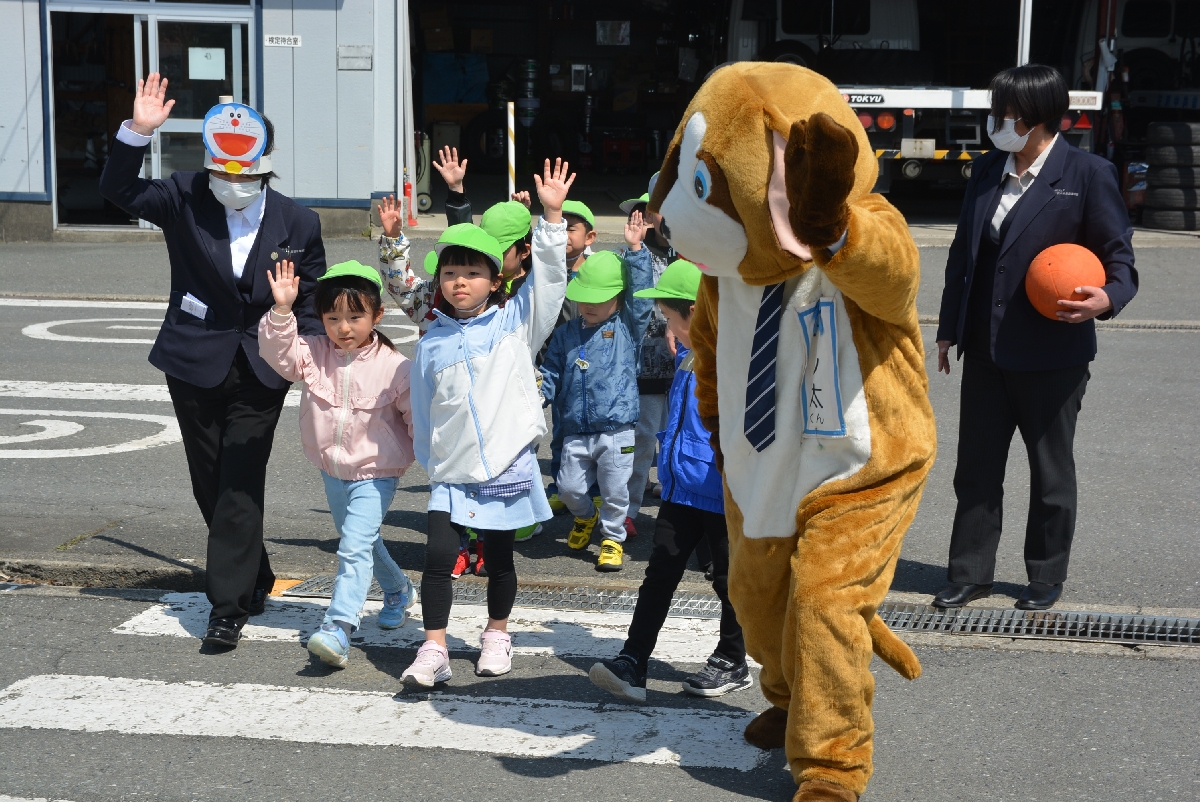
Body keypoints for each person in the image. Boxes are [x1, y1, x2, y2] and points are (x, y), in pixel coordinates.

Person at [99, 74, 326, 649]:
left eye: (245, 174)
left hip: (263, 364)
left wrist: (314, 355)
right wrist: (137, 132)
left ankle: (226, 607)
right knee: (210, 481)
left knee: (240, 480)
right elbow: (119, 190)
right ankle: (257, 574)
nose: (232, 183)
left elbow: (315, 300)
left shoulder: (299, 222)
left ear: (266, 166)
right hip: (193, 358)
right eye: (223, 172)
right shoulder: (182, 195)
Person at [933, 64, 1138, 612]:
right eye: (997, 112)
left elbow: (1120, 259)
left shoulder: (1087, 174)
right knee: (975, 468)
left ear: (1039, 119)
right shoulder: (985, 172)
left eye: (1007, 115)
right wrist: (949, 330)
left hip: (1053, 353)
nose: (998, 123)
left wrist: (1108, 298)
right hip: (985, 348)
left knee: (1050, 470)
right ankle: (969, 572)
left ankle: (1045, 574)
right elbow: (963, 256)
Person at [401, 159, 572, 687]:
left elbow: (549, 282)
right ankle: (434, 649)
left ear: (496, 279)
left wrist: (550, 217)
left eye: (472, 274)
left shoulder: (515, 322)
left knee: (499, 558)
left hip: (505, 463)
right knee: (437, 557)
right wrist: (433, 460)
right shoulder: (431, 339)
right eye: (450, 274)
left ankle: (497, 634)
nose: (459, 283)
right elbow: (424, 408)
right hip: (451, 469)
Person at [589, 259, 751, 701]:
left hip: (722, 494)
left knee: (729, 580)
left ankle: (733, 659)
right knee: (660, 573)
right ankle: (633, 660)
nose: (667, 327)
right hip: (681, 490)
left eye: (671, 317)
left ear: (697, 313)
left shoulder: (732, 360)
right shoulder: (692, 351)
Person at [258, 259, 417, 668]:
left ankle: (339, 627)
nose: (343, 327)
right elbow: (280, 356)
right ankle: (398, 588)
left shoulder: (396, 367)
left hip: (376, 472)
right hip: (331, 469)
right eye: (332, 317)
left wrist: (439, 463)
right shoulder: (314, 353)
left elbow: (418, 418)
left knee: (353, 547)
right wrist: (281, 310)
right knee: (361, 541)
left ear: (377, 315)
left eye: (355, 316)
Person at [539, 212, 655, 571]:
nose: (588, 305)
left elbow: (642, 300)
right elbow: (552, 370)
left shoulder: (627, 328)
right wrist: (541, 392)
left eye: (599, 298)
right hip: (575, 426)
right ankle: (586, 517)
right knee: (569, 487)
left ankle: (611, 538)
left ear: (618, 299)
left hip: (618, 429)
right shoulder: (566, 333)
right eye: (584, 297)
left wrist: (636, 250)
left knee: (616, 491)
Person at [618, 177, 677, 538]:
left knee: (676, 445)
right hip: (646, 373)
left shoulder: (692, 251)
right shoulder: (633, 255)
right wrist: (637, 250)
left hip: (684, 369)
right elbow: (637, 310)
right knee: (640, 450)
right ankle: (627, 511)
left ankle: (676, 509)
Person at [545, 199, 599, 513]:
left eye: (571, 229)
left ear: (589, 238)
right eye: (559, 227)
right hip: (558, 362)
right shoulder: (546, 265)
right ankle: (558, 484)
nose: (564, 234)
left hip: (591, 365)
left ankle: (593, 489)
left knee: (591, 432)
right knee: (561, 432)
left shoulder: (595, 269)